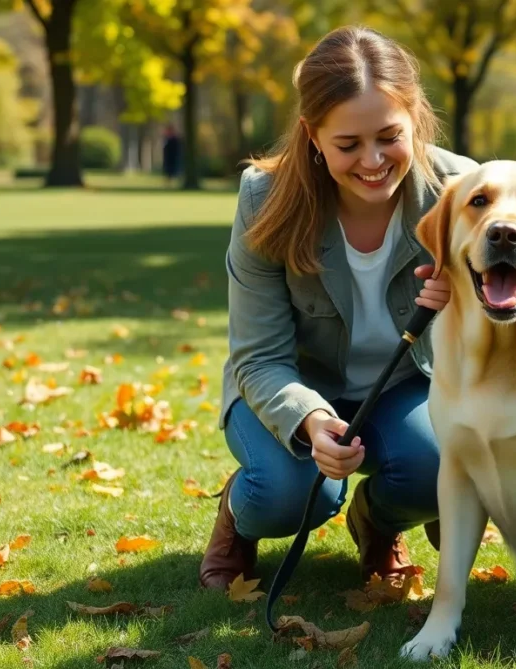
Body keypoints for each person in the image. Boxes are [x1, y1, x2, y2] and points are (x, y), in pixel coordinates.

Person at [199, 25, 479, 591]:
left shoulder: (464, 190)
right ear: (312, 135)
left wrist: (464, 307)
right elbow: (256, 356)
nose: (372, 161)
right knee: (290, 494)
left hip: (408, 386)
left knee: (439, 466)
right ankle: (238, 514)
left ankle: (377, 521)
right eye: (348, 145)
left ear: (416, 119)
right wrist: (313, 420)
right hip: (292, 388)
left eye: (389, 137)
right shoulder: (263, 198)